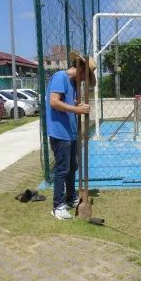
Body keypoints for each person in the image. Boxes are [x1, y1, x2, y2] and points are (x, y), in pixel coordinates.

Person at [46, 51, 96, 220]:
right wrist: (77, 109)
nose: (83, 80)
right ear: (80, 69)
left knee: (72, 167)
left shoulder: (73, 84)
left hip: (70, 133)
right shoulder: (60, 77)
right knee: (62, 169)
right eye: (85, 76)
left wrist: (76, 104)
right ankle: (58, 206)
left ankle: (70, 197)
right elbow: (54, 101)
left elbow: (66, 102)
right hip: (60, 133)